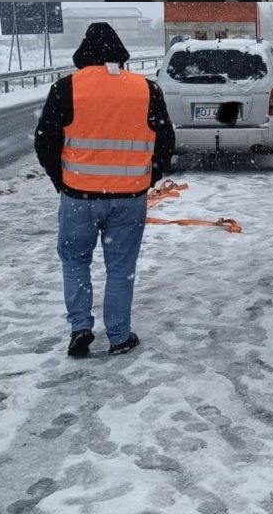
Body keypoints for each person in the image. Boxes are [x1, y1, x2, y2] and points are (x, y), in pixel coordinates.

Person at [34, 22, 175, 358]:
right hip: (129, 199)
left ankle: (80, 328)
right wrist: (147, 178)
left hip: (78, 197)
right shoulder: (146, 89)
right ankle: (118, 335)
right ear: (121, 54)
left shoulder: (67, 88)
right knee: (121, 269)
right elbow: (166, 141)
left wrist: (62, 181)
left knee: (75, 262)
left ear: (83, 55)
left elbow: (44, 142)